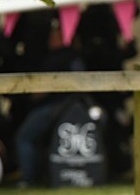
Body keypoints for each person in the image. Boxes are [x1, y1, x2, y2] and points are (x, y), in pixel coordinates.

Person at [13, 20, 86, 186]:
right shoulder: (76, 57)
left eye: (54, 35)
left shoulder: (55, 58)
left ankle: (28, 179)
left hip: (53, 107)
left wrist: (25, 97)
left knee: (24, 137)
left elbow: (40, 91)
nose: (50, 39)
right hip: (74, 109)